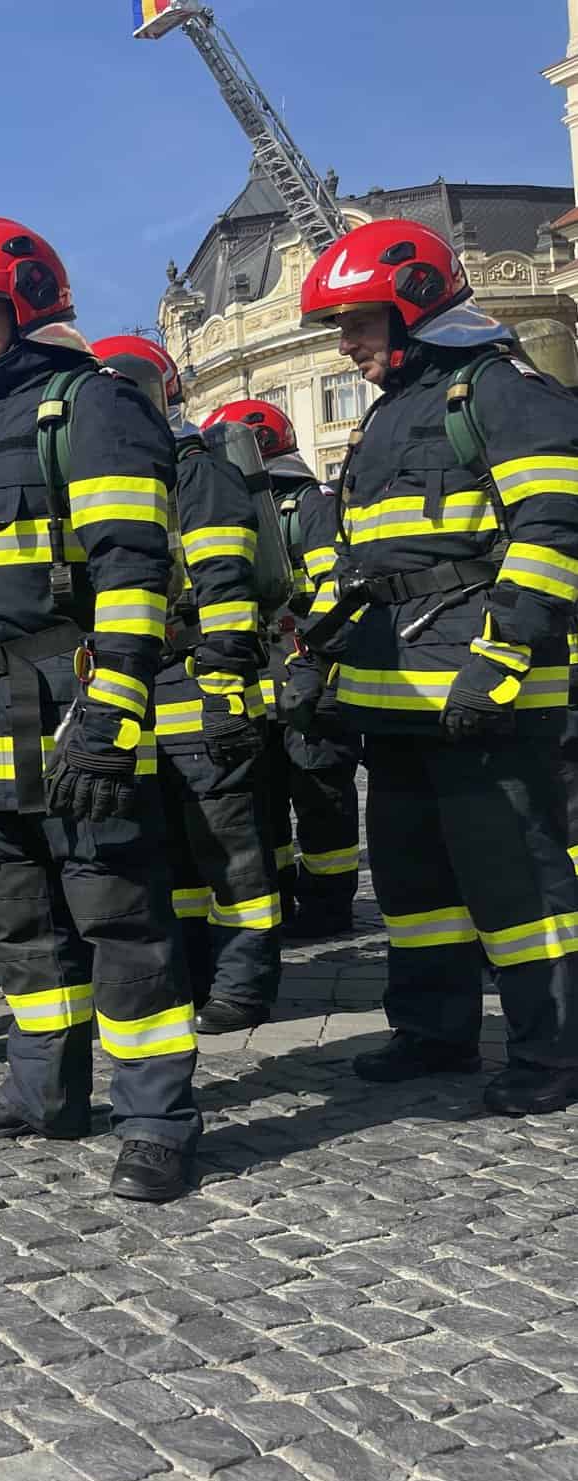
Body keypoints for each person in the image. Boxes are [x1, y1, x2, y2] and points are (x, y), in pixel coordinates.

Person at [0, 216, 198, 1201]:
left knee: (118, 913)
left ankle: (156, 1120)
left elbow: (130, 564)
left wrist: (115, 705)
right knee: (23, 916)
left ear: (26, 305)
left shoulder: (92, 406)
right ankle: (45, 1092)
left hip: (76, 703)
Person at [291, 217, 578, 1113]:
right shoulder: (388, 415)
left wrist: (498, 664)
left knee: (519, 885)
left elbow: (553, 531)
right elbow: (362, 563)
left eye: (358, 324)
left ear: (413, 309)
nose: (345, 345)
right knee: (416, 885)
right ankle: (433, 1030)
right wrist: (317, 653)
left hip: (483, 692)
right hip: (397, 700)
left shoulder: (501, 391)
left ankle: (554, 1052)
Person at [93, 335, 283, 1036]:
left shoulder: (193, 469)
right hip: (146, 689)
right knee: (171, 848)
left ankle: (244, 981)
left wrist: (226, 690)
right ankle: (196, 970)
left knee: (231, 850)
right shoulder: (122, 473)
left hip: (203, 683)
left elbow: (227, 587)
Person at [205, 398, 363, 940]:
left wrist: (311, 664)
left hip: (310, 678)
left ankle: (330, 906)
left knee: (321, 797)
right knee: (266, 797)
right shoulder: (239, 505)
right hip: (260, 679)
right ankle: (284, 894)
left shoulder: (308, 504)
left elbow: (334, 592)